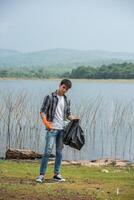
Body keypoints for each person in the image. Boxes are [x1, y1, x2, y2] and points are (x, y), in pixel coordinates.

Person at [36, 79, 79, 183]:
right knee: (47, 152)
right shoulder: (50, 97)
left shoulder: (67, 100)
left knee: (59, 153)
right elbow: (42, 111)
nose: (65, 90)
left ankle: (57, 174)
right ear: (60, 85)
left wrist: (74, 118)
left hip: (62, 130)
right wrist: (46, 123)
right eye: (64, 87)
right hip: (52, 129)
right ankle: (41, 175)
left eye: (67, 89)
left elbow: (68, 114)